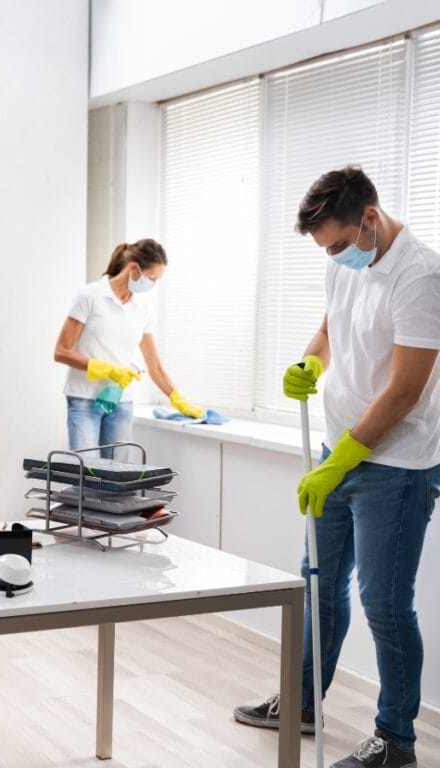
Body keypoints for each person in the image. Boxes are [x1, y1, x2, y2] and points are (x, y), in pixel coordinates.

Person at [233, 166, 440, 768]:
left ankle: (396, 740)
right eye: (326, 248)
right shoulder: (341, 259)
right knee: (317, 581)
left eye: (339, 243)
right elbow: (330, 327)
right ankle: (301, 702)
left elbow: (404, 392)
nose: (334, 256)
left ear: (370, 218)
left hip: (395, 469)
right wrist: (310, 363)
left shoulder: (421, 277)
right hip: (337, 454)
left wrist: (345, 457)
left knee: (385, 602)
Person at [53, 238, 205, 454]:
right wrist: (107, 369)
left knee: (119, 478)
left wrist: (178, 399)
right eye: (151, 278)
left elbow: (155, 367)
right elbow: (61, 352)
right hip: (84, 398)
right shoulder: (90, 296)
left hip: (120, 401)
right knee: (88, 472)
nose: (152, 284)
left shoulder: (143, 308)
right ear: (134, 268)